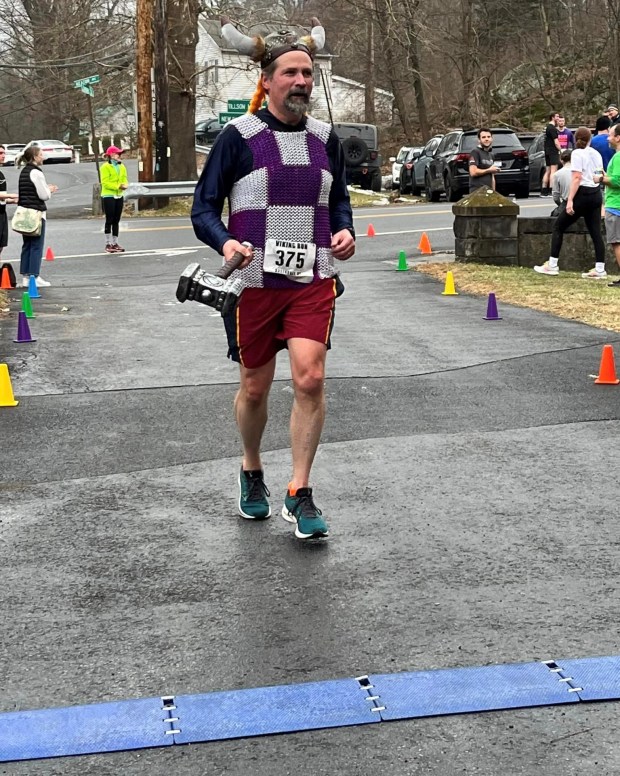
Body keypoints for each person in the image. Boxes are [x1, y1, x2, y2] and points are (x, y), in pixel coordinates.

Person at [191, 17, 355, 540]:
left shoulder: (327, 139)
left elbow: (340, 201)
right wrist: (226, 241)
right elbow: (203, 208)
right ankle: (251, 468)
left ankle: (300, 491)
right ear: (268, 81)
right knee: (255, 389)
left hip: (311, 278)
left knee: (310, 377)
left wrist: (345, 233)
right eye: (291, 72)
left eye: (308, 72)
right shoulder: (238, 137)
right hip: (254, 281)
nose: (302, 81)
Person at [534, 127, 606, 279]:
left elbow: (576, 178)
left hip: (582, 193)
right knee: (595, 232)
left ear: (575, 139)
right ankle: (600, 268)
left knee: (559, 226)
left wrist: (570, 200)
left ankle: (552, 264)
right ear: (590, 139)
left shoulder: (577, 154)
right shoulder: (596, 153)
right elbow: (599, 175)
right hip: (595, 193)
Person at [16, 145, 58, 287]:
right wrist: (50, 189)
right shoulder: (37, 173)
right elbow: (43, 195)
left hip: (24, 212)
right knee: (36, 245)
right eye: (41, 154)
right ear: (34, 157)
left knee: (27, 244)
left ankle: (26, 276)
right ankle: (34, 275)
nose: (43, 157)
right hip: (36, 212)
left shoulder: (24, 171)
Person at [601, 122, 620, 286]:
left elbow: (618, 180)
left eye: (611, 134)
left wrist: (601, 179)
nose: (608, 138)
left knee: (617, 242)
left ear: (618, 138)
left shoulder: (619, 156)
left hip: (616, 204)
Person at [99, 145, 128, 253]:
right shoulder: (105, 167)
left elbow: (125, 179)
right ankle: (107, 243)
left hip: (119, 195)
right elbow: (105, 183)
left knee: (117, 220)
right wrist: (118, 186)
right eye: (117, 154)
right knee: (109, 219)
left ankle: (115, 243)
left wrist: (125, 185)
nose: (119, 155)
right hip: (108, 195)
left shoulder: (122, 167)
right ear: (111, 155)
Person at [468, 128, 501, 193]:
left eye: (488, 137)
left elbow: (492, 176)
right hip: (477, 191)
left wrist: (494, 192)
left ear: (492, 139)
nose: (486, 139)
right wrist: (489, 170)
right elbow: (473, 172)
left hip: (488, 192)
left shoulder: (491, 154)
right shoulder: (475, 152)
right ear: (479, 140)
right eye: (483, 137)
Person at [0, 144, 18, 259]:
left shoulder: (1, 174)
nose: (3, 156)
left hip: (2, 214)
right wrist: (12, 195)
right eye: (0, 153)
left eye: (4, 153)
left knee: (0, 246)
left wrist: (13, 200)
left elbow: (2, 198)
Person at [541, 112, 561, 196]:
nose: (558, 118)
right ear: (553, 117)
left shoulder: (546, 128)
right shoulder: (552, 128)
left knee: (548, 170)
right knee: (554, 171)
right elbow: (556, 141)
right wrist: (561, 150)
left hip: (547, 151)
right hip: (553, 151)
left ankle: (544, 190)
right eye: (557, 116)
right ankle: (551, 190)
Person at [550, 149, 572, 214]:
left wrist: (560, 205)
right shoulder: (580, 171)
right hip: (580, 203)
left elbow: (556, 197)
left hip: (566, 202)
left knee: (555, 215)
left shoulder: (557, 174)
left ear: (561, 160)